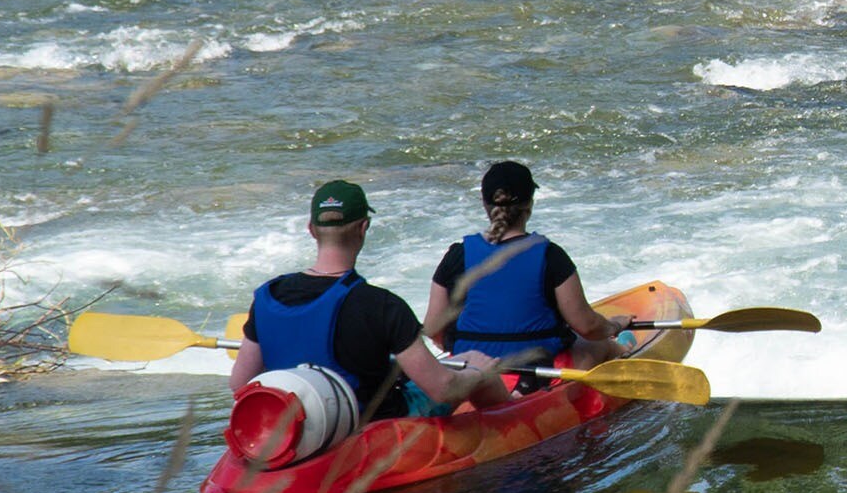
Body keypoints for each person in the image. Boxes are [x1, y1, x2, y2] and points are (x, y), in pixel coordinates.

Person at [233, 180, 509, 420]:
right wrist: (479, 372)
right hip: (376, 425)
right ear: (364, 227)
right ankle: (513, 425)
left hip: (305, 425)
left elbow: (239, 384)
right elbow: (441, 388)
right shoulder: (382, 305)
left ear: (311, 229)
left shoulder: (267, 296)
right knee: (473, 361)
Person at [423, 161, 629, 374]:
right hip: (537, 372)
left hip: (471, 369)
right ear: (529, 205)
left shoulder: (457, 255)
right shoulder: (551, 255)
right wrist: (614, 326)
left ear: (485, 205)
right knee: (598, 344)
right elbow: (587, 327)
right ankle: (625, 348)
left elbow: (433, 328)